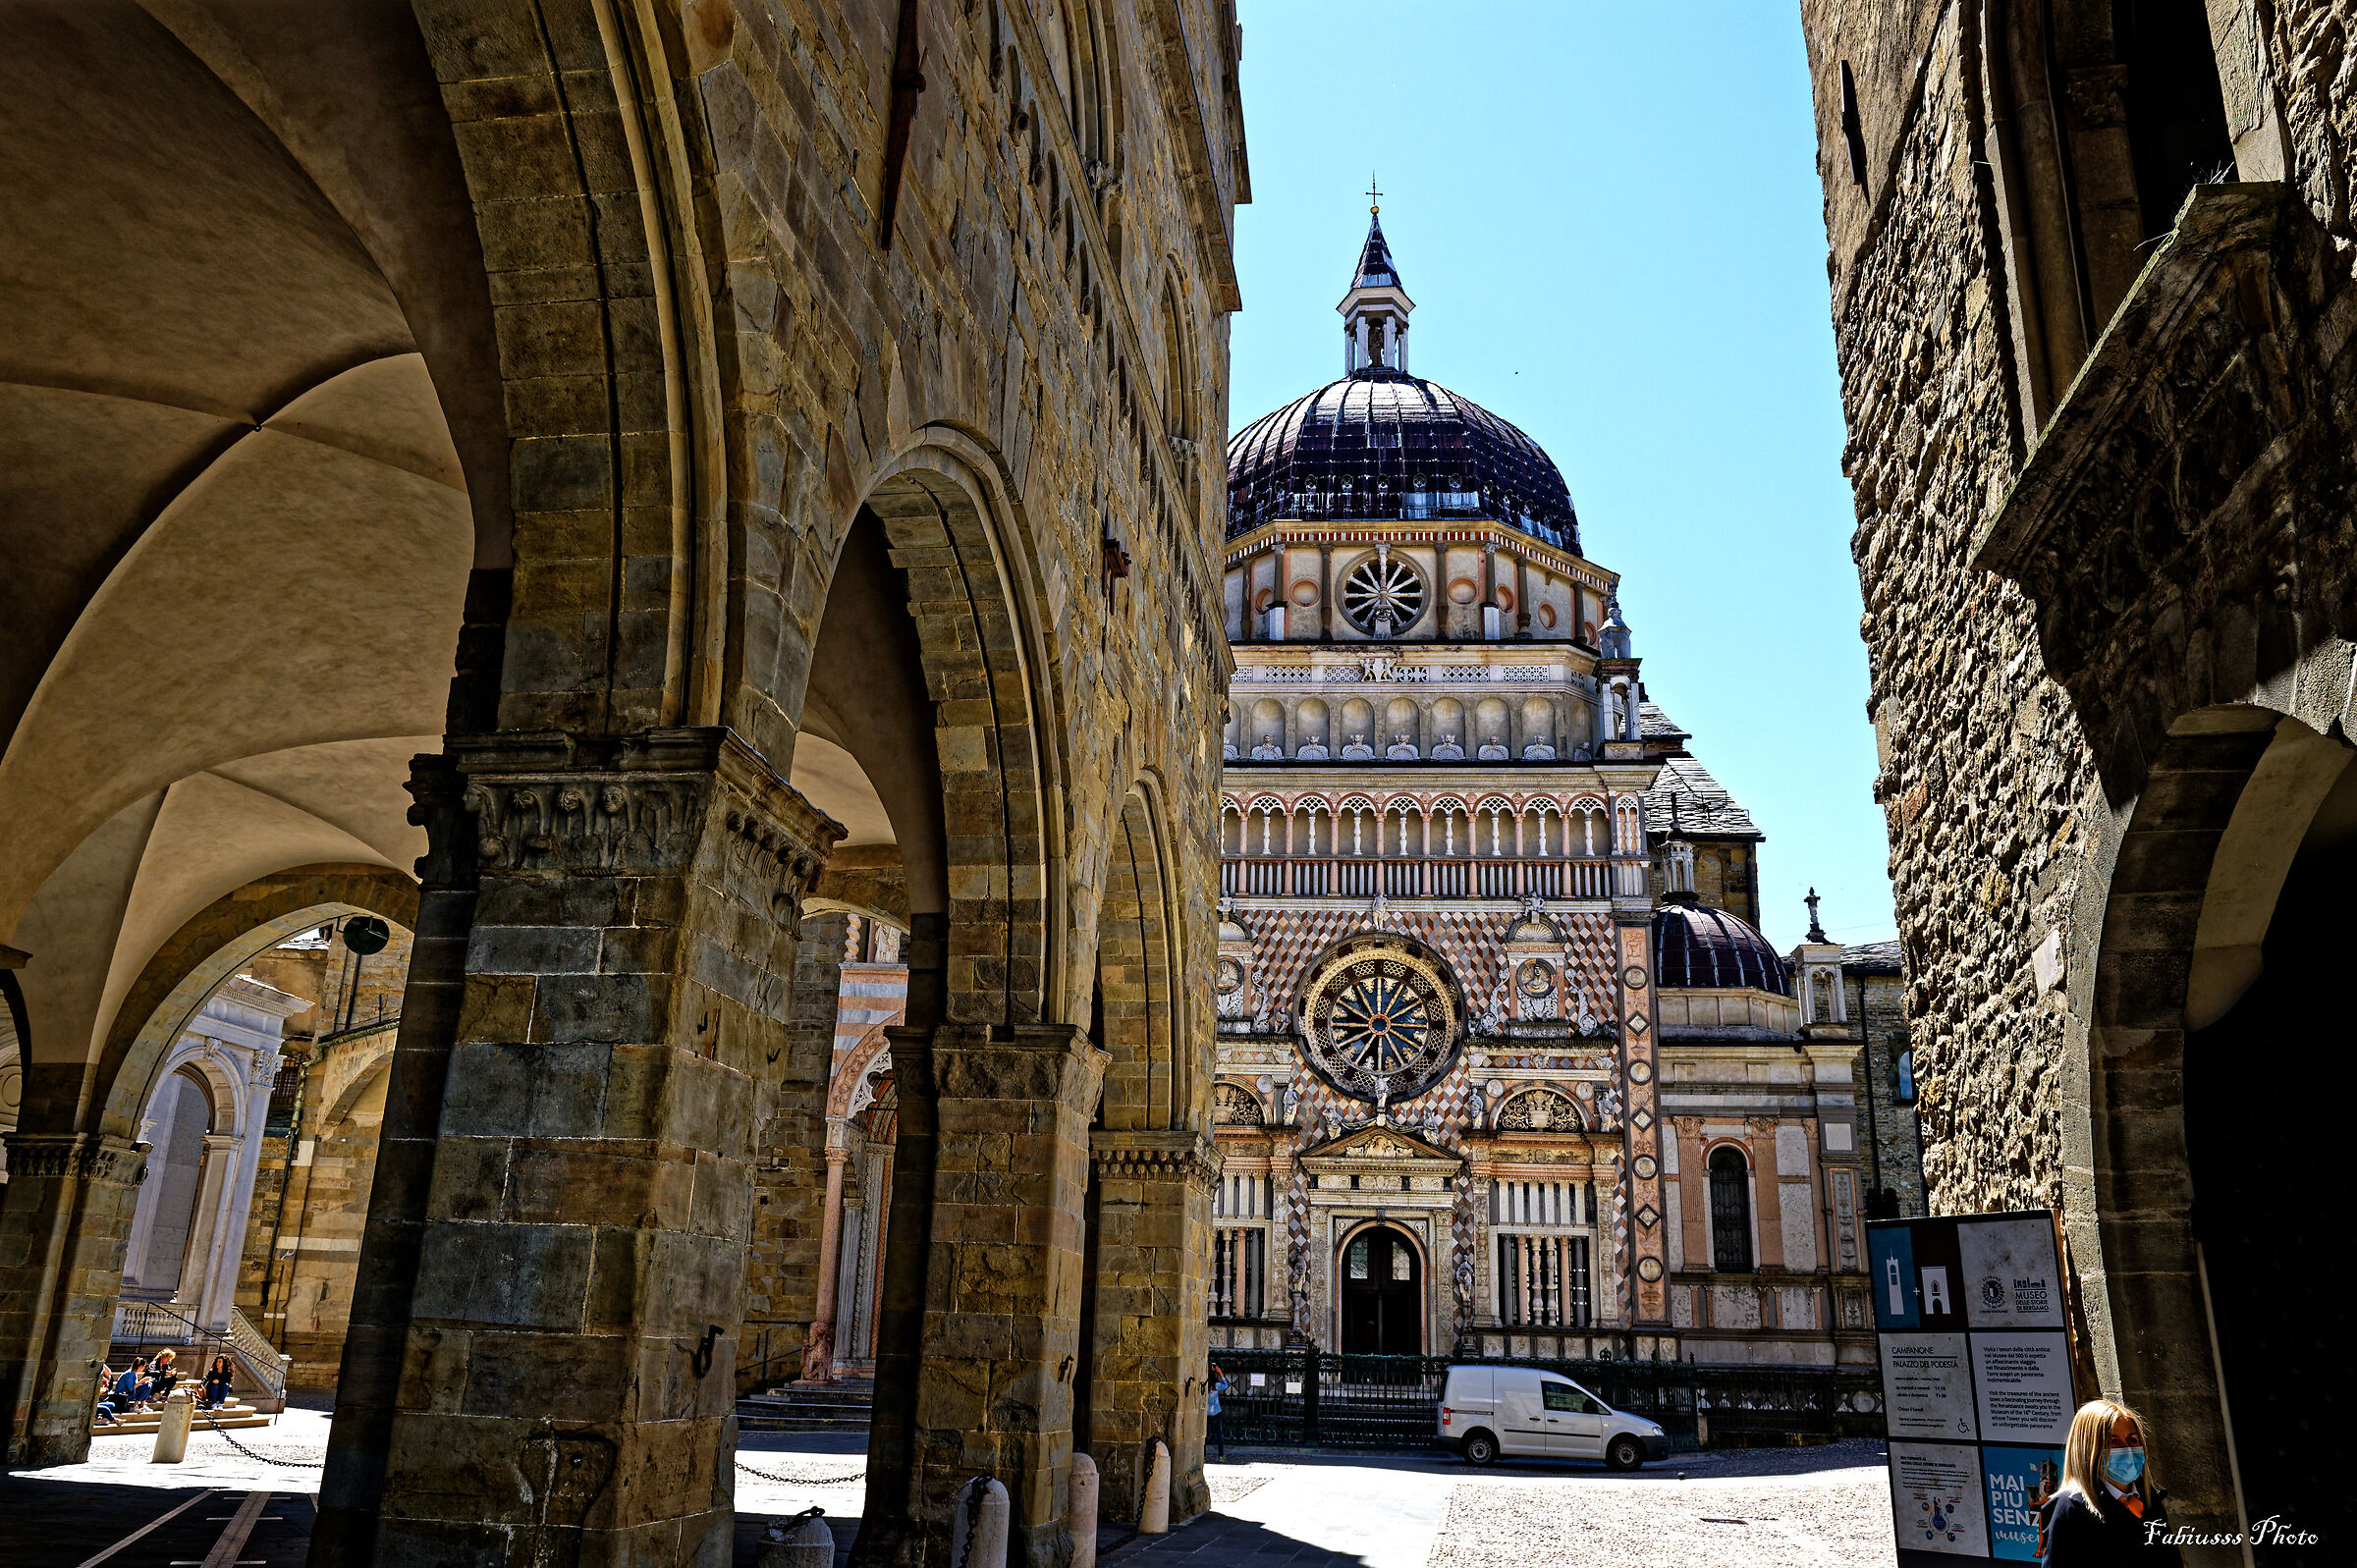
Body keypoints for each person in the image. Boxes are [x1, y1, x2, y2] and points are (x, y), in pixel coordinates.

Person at [2042, 1398, 2183, 1565]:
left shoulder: (2149, 1498)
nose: (2127, 1449)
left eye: (2132, 1440)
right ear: (2088, 1449)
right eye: (2113, 1441)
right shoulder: (2070, 1507)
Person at [1207, 1363, 1231, 1461]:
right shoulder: (1216, 1385)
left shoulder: (1205, 1384)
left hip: (1206, 1413)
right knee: (1219, 1434)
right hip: (1216, 1412)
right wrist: (1221, 1374)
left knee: (1204, 1435)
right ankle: (1221, 1456)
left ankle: (1203, 1456)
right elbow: (1226, 1385)